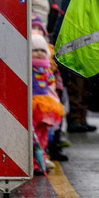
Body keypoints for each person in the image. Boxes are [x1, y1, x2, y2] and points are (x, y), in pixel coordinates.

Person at [31, 32, 64, 176]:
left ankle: (41, 160)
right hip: (32, 106)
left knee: (43, 135)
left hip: (44, 106)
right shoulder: (28, 69)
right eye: (35, 50)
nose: (39, 53)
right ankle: (32, 162)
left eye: (42, 50)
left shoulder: (46, 70)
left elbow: (51, 88)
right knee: (32, 137)